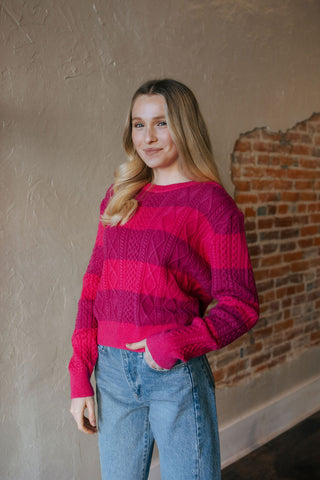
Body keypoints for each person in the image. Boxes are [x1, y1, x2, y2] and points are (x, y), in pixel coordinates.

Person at [69, 78, 259, 480]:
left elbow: (240, 305)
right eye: (139, 124)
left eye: (161, 123)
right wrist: (79, 375)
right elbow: (94, 285)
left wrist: (174, 343)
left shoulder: (212, 206)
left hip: (172, 372)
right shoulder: (121, 196)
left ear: (185, 127)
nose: (148, 138)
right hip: (112, 373)